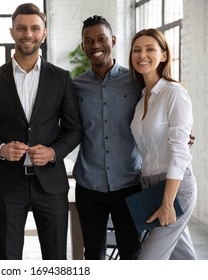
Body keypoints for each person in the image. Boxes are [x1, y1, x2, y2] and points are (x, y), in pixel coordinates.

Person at [0, 3, 82, 260]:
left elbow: (74, 129)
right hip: (8, 183)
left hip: (50, 182)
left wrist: (53, 152)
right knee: (9, 257)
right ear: (12, 32)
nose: (28, 34)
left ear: (43, 33)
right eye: (22, 28)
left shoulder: (61, 78)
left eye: (34, 28)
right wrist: (1, 149)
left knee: (56, 256)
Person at [72, 15, 143, 260]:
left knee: (131, 252)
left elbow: (158, 114)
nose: (95, 45)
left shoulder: (136, 82)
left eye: (101, 39)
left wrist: (182, 132)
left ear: (113, 40)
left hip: (130, 183)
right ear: (83, 46)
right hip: (89, 185)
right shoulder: (75, 87)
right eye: (88, 41)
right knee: (93, 253)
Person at [129, 28, 197, 260]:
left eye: (150, 49)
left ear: (164, 55)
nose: (142, 55)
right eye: (136, 50)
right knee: (183, 259)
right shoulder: (141, 101)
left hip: (174, 190)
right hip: (150, 187)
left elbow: (179, 151)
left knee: (147, 262)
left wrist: (167, 202)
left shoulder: (173, 92)